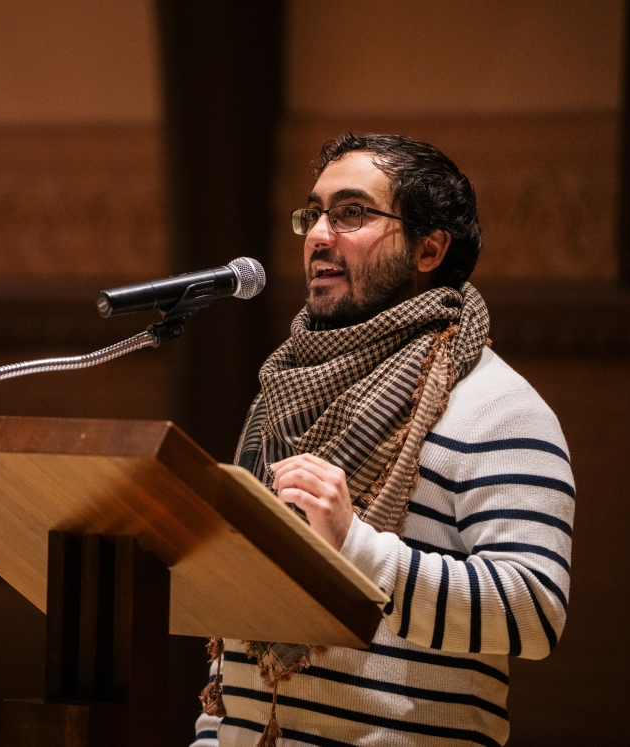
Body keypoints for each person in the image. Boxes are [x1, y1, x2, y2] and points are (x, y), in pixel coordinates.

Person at [191, 133, 574, 747]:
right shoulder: (282, 391)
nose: (319, 234)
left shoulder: (497, 406)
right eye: (313, 214)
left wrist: (356, 548)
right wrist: (215, 735)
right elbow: (243, 613)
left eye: (351, 213)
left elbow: (533, 612)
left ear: (428, 250)